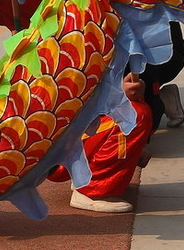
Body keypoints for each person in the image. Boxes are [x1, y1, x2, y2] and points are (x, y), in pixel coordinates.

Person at [50, 72, 152, 213]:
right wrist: (115, 95)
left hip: (57, 140)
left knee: (132, 108)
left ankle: (90, 176)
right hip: (50, 149)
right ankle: (91, 190)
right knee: (135, 115)